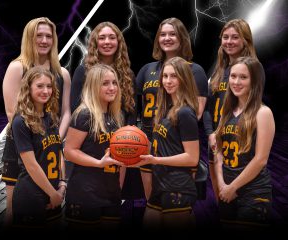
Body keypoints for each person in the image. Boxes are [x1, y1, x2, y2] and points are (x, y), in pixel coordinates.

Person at [1, 17, 71, 225]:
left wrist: (55, 138)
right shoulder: (17, 67)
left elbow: (66, 111)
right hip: (21, 146)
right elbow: (12, 111)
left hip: (50, 144)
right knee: (13, 211)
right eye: (38, 35)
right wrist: (41, 137)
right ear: (29, 38)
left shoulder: (62, 73)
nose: (43, 40)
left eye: (48, 36)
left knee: (50, 208)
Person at [136, 17, 208, 200]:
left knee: (177, 203)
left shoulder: (195, 70)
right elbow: (135, 105)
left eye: (172, 34)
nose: (167, 38)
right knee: (151, 202)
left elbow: (195, 113)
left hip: (174, 144)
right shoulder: (146, 69)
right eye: (162, 34)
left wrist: (165, 137)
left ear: (182, 38)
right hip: (147, 141)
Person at [70, 21, 139, 203]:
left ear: (119, 42)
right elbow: (74, 110)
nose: (107, 42)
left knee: (114, 199)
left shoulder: (128, 74)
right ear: (94, 42)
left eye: (112, 37)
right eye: (102, 37)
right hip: (90, 143)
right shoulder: (82, 71)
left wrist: (126, 143)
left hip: (119, 143)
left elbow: (131, 112)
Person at [134, 57, 200, 230]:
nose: (168, 81)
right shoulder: (166, 110)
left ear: (184, 79)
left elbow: (192, 158)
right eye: (165, 76)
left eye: (174, 76)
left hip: (177, 185)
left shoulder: (185, 113)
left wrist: (155, 160)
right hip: (161, 183)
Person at [203, 19, 265, 201]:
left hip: (239, 139)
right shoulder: (217, 71)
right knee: (221, 198)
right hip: (216, 141)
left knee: (240, 194)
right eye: (225, 37)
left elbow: (254, 107)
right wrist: (210, 133)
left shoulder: (253, 69)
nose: (229, 41)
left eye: (235, 37)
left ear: (245, 40)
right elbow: (207, 109)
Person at [213, 56, 275, 230]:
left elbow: (261, 159)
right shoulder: (226, 112)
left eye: (243, 77)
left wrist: (233, 187)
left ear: (254, 81)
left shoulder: (262, 112)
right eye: (233, 76)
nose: (236, 82)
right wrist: (222, 184)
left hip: (253, 192)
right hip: (227, 191)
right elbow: (218, 152)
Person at [64, 64, 124, 229]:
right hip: (85, 193)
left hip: (111, 193)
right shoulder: (85, 114)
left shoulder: (117, 116)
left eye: (114, 83)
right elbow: (69, 151)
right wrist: (98, 163)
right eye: (105, 83)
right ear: (93, 86)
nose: (112, 88)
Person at [9, 66, 65, 227]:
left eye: (49, 86)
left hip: (54, 194)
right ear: (28, 88)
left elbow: (59, 152)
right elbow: (32, 166)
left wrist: (62, 183)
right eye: (40, 86)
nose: (46, 91)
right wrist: (53, 193)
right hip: (31, 197)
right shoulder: (21, 121)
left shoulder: (52, 117)